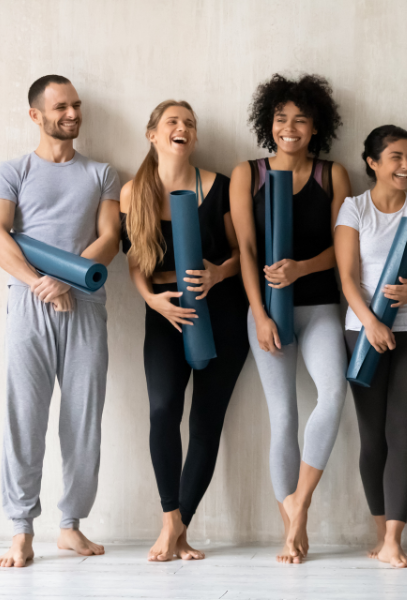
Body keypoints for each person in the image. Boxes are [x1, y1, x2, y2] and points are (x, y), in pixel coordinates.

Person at [0, 75, 121, 568]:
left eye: (77, 106)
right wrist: (39, 281)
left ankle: (70, 527)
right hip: (28, 305)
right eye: (61, 106)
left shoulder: (103, 174)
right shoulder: (13, 170)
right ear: (36, 114)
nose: (72, 114)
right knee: (25, 416)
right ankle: (21, 530)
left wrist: (69, 281)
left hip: (85, 303)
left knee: (83, 419)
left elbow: (109, 238)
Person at [120, 100, 249, 562]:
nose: (183, 128)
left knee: (205, 422)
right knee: (162, 409)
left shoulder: (221, 186)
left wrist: (218, 274)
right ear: (152, 133)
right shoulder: (133, 191)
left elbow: (243, 253)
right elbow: (136, 259)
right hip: (165, 310)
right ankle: (169, 517)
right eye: (173, 121)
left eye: (190, 123)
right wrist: (151, 299)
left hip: (223, 311)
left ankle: (181, 531)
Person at [229, 74, 350, 564]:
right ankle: (291, 530)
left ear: (315, 125)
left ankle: (299, 506)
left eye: (300, 119)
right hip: (267, 313)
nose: (290, 127)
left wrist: (302, 267)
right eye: (281, 119)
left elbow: (345, 249)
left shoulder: (332, 174)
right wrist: (258, 314)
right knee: (283, 417)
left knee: (333, 392)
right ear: (268, 124)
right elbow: (246, 250)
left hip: (320, 306)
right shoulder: (247, 173)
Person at [335, 125, 407, 568]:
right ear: (373, 163)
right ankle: (382, 535)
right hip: (362, 331)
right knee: (372, 436)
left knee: (404, 432)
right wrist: (371, 322)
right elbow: (347, 278)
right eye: (395, 157)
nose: (406, 166)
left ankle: (395, 540)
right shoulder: (354, 208)